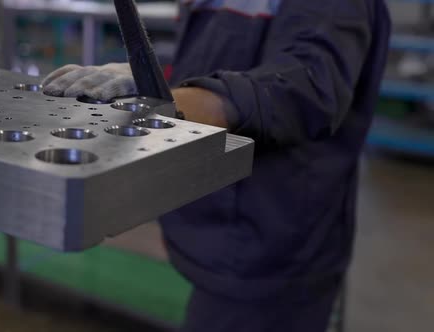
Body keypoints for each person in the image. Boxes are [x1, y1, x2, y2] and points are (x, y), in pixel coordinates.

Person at [42, 0, 391, 331]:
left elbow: (306, 87)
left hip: (272, 244)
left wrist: (166, 105)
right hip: (219, 227)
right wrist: (151, 75)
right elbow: (209, 55)